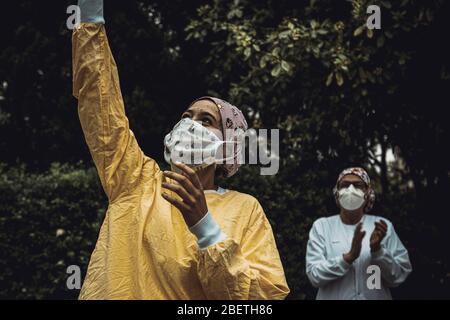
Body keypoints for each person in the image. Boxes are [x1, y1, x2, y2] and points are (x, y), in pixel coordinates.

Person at [72, 0, 289, 299]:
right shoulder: (136, 182)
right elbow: (100, 103)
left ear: (228, 148)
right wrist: (90, 15)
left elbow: (261, 298)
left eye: (206, 120)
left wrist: (205, 227)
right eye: (186, 116)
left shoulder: (246, 209)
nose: (190, 124)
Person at [305, 167, 412, 300]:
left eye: (358, 185)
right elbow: (314, 276)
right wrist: (348, 258)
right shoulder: (322, 227)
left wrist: (378, 251)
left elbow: (398, 276)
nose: (350, 190)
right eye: (344, 185)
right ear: (337, 193)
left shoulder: (382, 227)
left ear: (368, 193)